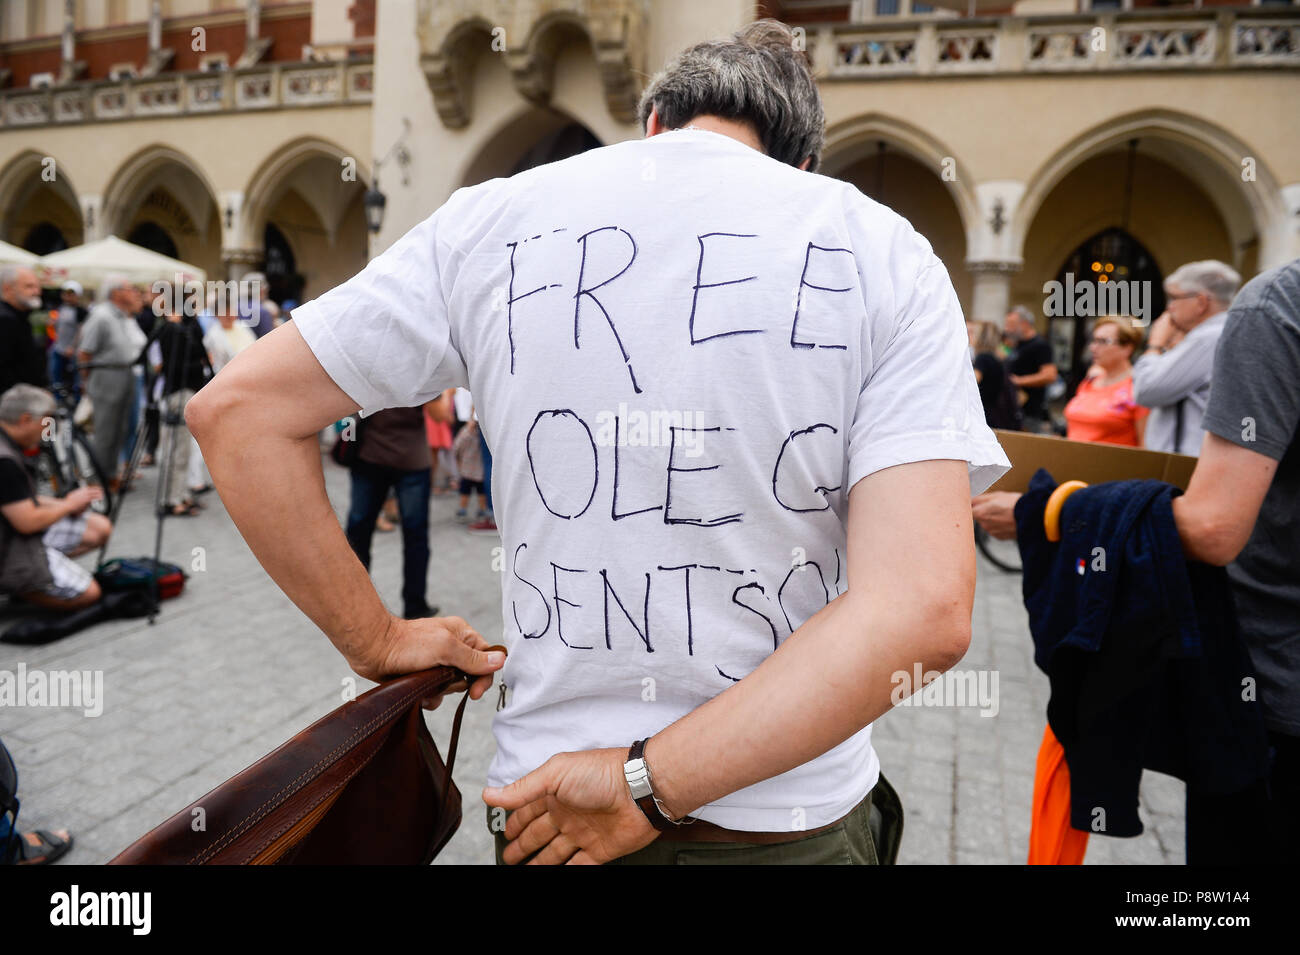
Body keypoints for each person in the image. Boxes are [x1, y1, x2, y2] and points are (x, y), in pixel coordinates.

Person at [188, 19, 1008, 866]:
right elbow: (923, 611)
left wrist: (377, 640)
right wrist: (650, 783)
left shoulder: (494, 218)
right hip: (784, 820)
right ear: (801, 165)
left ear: (653, 123)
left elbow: (238, 412)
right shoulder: (883, 249)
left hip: (551, 817)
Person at [0, 384, 111, 610]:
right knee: (89, 594)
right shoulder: (5, 463)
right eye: (46, 420)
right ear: (25, 419)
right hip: (9, 546)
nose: (48, 428)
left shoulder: (9, 443)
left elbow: (21, 500)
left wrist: (66, 505)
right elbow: (27, 522)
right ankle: (21, 585)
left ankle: (37, 578)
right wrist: (69, 504)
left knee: (99, 527)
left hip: (14, 532)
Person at [343, 405, 443, 620]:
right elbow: (441, 414)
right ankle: (414, 606)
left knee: (358, 531)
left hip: (375, 457)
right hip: (405, 459)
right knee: (414, 536)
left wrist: (347, 437)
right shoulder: (424, 370)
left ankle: (356, 604)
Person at [1132, 260, 1240, 456]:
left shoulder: (1209, 338)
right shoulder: (1220, 334)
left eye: (1174, 298)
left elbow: (1146, 391)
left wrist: (1155, 345)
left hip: (1183, 465)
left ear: (1201, 302)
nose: (1169, 307)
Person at [78, 276, 146, 493]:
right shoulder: (102, 316)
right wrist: (86, 383)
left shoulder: (120, 316)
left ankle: (110, 475)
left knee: (119, 430)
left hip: (123, 375)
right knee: (106, 431)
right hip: (107, 376)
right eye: (129, 289)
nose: (134, 292)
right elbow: (85, 352)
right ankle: (98, 479)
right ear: (116, 293)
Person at [146, 307, 213, 517]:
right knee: (175, 451)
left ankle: (180, 494)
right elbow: (172, 366)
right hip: (177, 394)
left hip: (183, 393)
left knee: (182, 452)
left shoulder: (182, 329)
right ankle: (172, 500)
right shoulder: (170, 331)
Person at [1062, 316, 1147, 447]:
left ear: (1127, 348)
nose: (1093, 347)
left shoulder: (1137, 388)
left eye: (1102, 341)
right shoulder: (1090, 382)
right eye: (1093, 340)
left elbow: (1146, 447)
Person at [1004, 305, 1057, 434]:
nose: (1007, 329)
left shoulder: (1040, 345)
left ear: (1025, 324)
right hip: (1013, 409)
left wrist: (1018, 381)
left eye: (1011, 324)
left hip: (1030, 412)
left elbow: (1050, 375)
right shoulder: (1018, 344)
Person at [0, 266, 48, 396]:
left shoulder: (20, 316)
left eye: (38, 287)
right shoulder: (5, 319)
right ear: (8, 289)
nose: (37, 291)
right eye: (29, 286)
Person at [968, 319, 1019, 430]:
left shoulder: (983, 358)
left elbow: (970, 383)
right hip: (993, 415)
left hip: (983, 415)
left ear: (981, 336)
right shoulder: (996, 359)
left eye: (972, 333)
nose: (969, 336)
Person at [49, 280, 86, 398]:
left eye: (71, 294)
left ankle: (76, 401)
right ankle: (57, 399)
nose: (68, 297)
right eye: (66, 294)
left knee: (77, 378)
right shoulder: (60, 308)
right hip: (59, 347)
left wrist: (73, 346)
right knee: (56, 376)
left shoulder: (81, 311)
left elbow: (81, 331)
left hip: (73, 351)